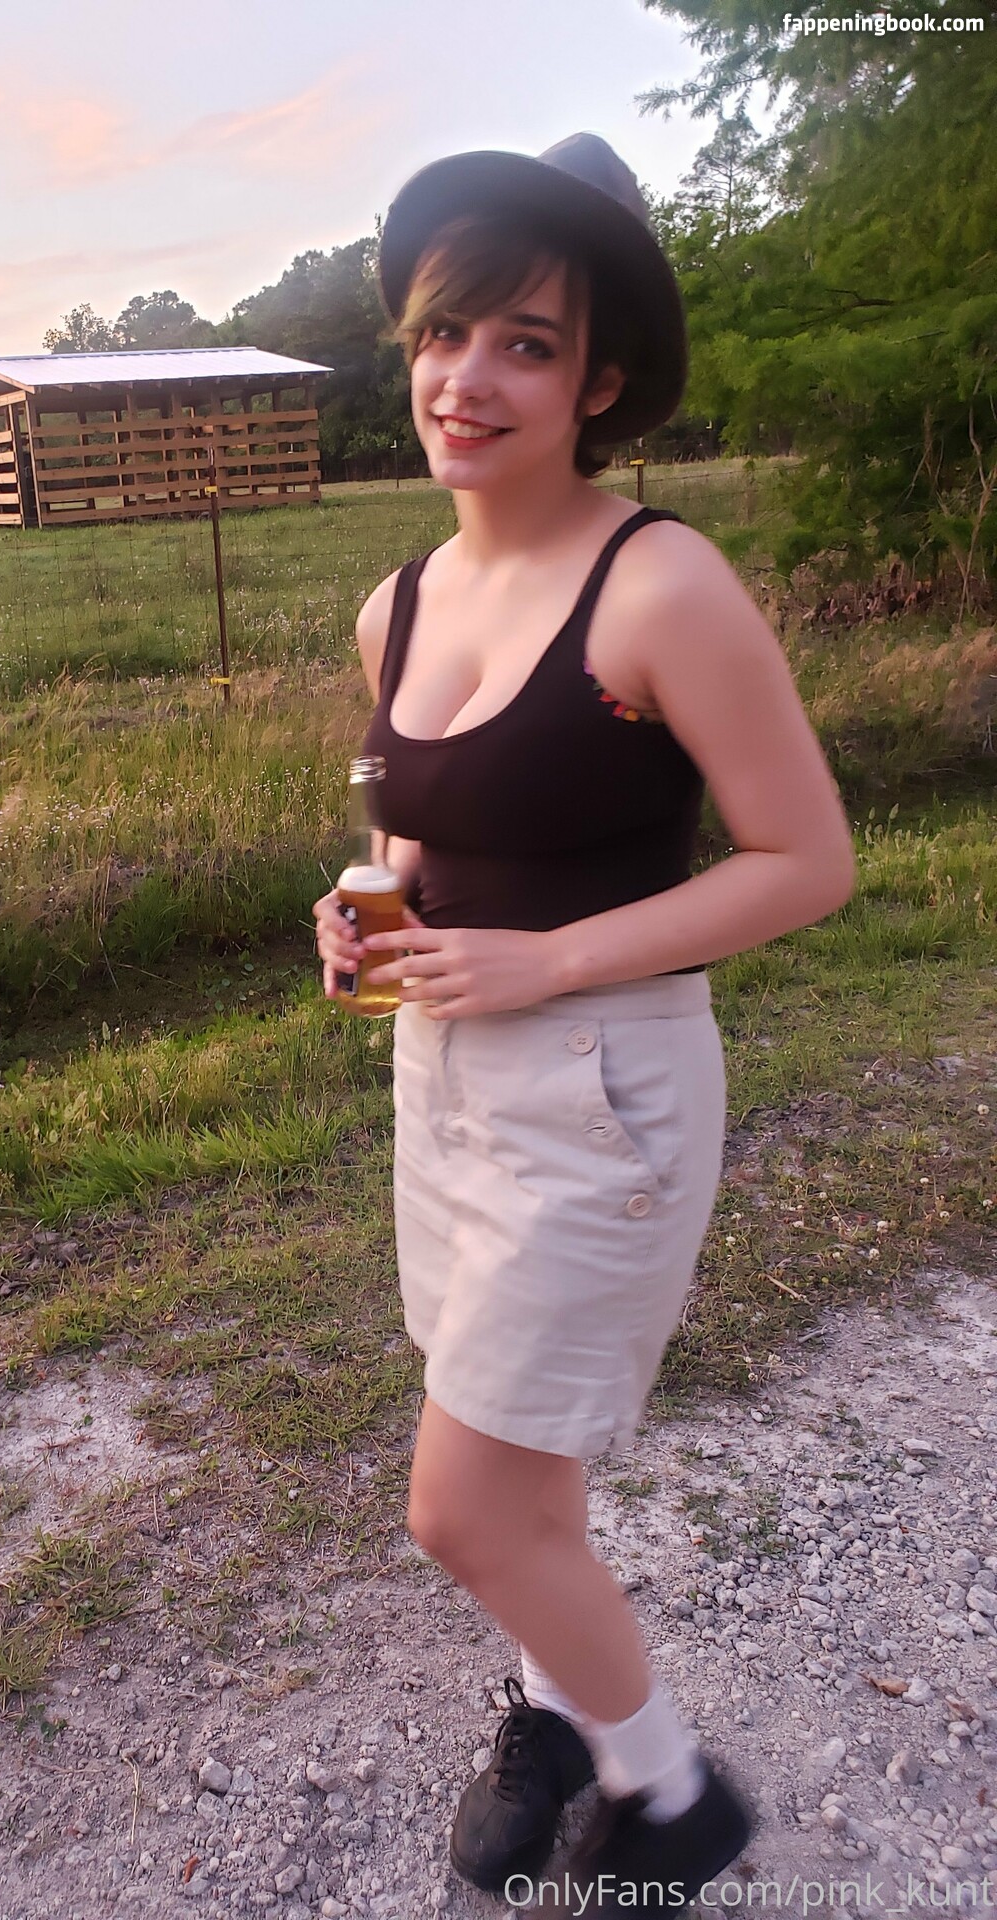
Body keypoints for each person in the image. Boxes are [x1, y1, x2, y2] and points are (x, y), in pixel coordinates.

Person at [311, 134, 857, 1906]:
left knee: (462, 1506)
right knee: (521, 1459)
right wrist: (366, 901)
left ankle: (671, 1791)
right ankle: (556, 1706)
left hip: (601, 1085)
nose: (467, 380)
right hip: (444, 1080)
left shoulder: (661, 585)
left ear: (598, 381)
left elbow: (807, 862)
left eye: (525, 344)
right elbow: (420, 830)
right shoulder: (396, 604)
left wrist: (544, 962)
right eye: (443, 333)